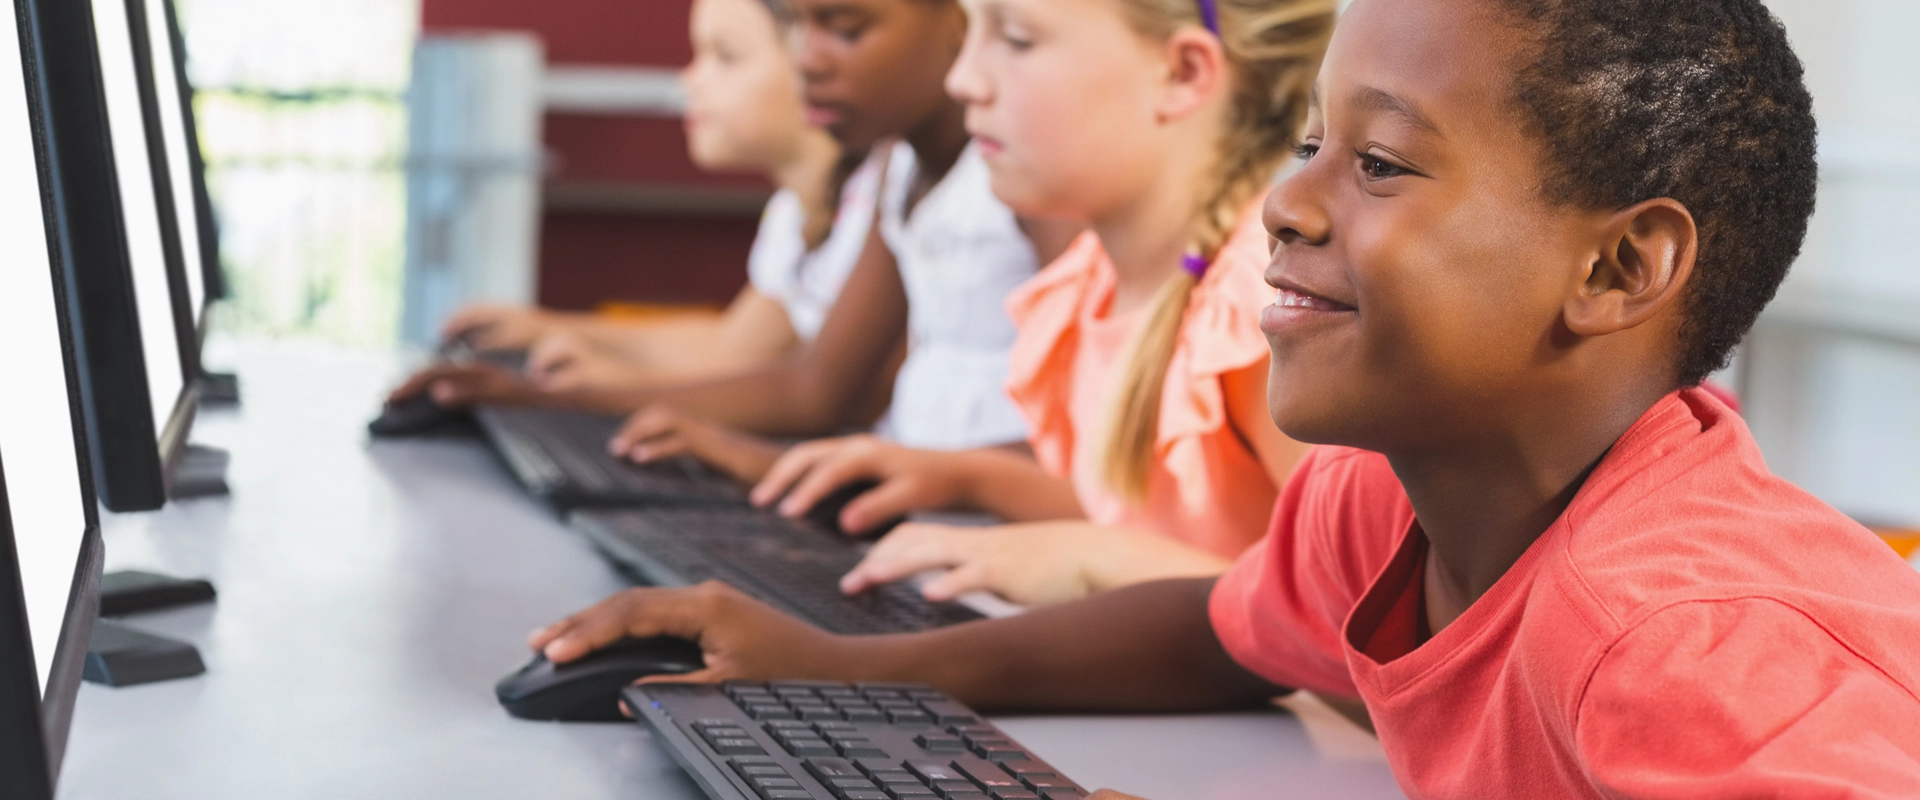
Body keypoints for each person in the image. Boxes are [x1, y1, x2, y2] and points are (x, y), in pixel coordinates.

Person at [529, 0, 1920, 795]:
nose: (1285, 204)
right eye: (1311, 141)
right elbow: (1217, 630)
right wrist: (846, 668)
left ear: (1619, 264)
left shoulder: (1686, 650)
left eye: (1378, 164)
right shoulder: (1386, 498)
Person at [744, 0, 1331, 605]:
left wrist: (1095, 562)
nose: (962, 79)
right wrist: (963, 476)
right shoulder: (1093, 284)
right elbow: (1136, 513)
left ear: (1181, 73)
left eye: (1018, 40)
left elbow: (1342, 619)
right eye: (972, 34)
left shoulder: (1260, 308)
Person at [394, 0, 1081, 478]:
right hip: (915, 517)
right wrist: (542, 403)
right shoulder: (902, 172)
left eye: (843, 27)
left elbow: (1086, 444)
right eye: (799, 27)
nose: (807, 60)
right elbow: (814, 388)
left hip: (969, 528)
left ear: (957, 27)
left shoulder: (1029, 176)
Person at [425, 0, 882, 398]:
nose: (690, 81)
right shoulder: (794, 212)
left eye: (726, 57)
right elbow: (734, 348)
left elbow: (805, 391)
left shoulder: (876, 211)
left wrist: (621, 385)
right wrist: (549, 328)